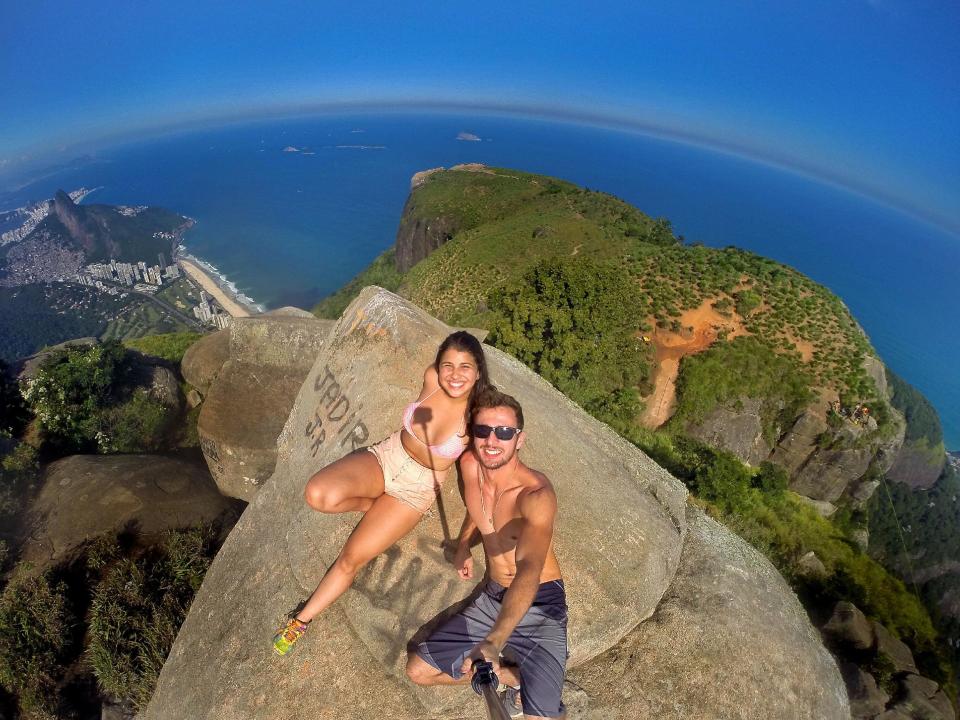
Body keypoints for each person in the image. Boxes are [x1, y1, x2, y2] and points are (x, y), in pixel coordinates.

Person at [273, 331, 491, 655]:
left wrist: (464, 545)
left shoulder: (479, 415)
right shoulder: (432, 379)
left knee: (350, 559)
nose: (454, 375)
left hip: (414, 491)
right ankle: (374, 506)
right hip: (386, 456)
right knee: (317, 494)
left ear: (478, 371)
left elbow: (479, 485)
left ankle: (300, 622)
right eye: (448, 365)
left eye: (465, 367)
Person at [406, 389, 567, 720]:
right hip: (494, 597)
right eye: (484, 430)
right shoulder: (469, 465)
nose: (493, 440)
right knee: (418, 672)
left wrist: (493, 642)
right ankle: (513, 677)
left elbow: (529, 571)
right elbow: (479, 508)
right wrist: (464, 544)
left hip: (539, 603)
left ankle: (529, 682)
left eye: (505, 432)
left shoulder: (535, 494)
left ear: (519, 439)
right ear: (472, 434)